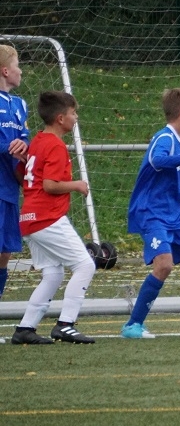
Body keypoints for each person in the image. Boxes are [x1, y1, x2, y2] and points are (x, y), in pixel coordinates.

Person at [121, 88, 180, 339]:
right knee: (164, 264)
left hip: (173, 215)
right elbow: (157, 161)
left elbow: (173, 180)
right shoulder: (164, 138)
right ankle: (133, 325)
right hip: (151, 212)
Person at [11, 92, 96, 345]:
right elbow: (49, 185)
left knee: (52, 274)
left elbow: (22, 175)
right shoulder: (55, 145)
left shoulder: (37, 141)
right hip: (46, 217)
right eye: (73, 113)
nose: (76, 117)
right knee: (85, 265)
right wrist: (77, 185)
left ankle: (25, 328)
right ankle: (65, 324)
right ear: (60, 118)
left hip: (29, 217)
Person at [0, 45, 30, 308]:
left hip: (10, 187)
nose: (21, 71)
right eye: (18, 65)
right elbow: (8, 145)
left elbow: (25, 140)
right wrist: (7, 147)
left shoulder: (20, 104)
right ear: (5, 71)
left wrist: (24, 147)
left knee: (5, 253)